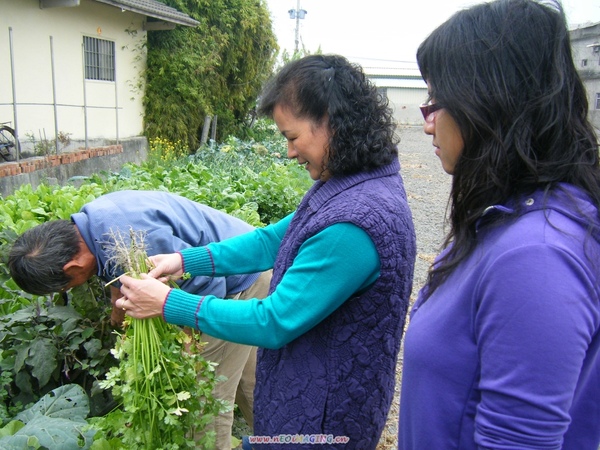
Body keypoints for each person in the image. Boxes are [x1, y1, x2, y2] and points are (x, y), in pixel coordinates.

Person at [115, 54, 417, 449]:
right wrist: (183, 260)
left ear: (331, 122)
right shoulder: (350, 184)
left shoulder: (354, 226)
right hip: (310, 397)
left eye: (292, 137)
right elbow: (271, 241)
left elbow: (274, 322)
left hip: (323, 421)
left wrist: (170, 304)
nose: (290, 152)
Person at [399, 0, 600, 449]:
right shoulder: (508, 214)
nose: (427, 123)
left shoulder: (536, 256)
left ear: (488, 101)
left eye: (435, 100)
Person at [7, 189, 271, 450]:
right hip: (247, 265)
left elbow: (208, 284)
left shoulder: (139, 241)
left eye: (63, 288)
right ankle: (278, 441)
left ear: (72, 268)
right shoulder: (94, 227)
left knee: (203, 397)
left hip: (240, 279)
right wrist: (117, 307)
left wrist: (191, 347)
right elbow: (117, 265)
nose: (66, 291)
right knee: (250, 382)